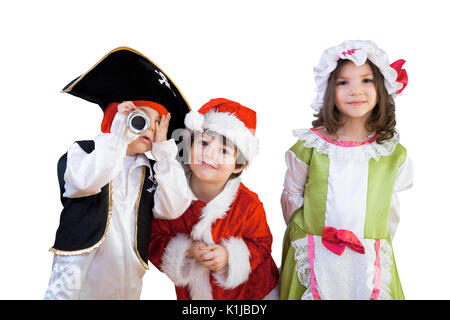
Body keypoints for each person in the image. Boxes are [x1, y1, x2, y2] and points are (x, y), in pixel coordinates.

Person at [44, 47, 190, 299]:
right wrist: (118, 137)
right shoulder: (84, 152)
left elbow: (172, 208)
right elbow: (86, 182)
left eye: (157, 123)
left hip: (125, 272)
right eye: (140, 118)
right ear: (116, 118)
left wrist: (165, 152)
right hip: (79, 270)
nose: (149, 128)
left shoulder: (153, 171)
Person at [279, 40, 413, 300]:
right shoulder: (310, 147)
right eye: (343, 82)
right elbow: (291, 197)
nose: (355, 91)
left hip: (366, 263)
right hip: (314, 252)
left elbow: (389, 211)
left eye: (366, 81)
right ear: (329, 89)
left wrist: (375, 244)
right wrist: (307, 237)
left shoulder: (391, 154)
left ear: (382, 87)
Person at [149, 98, 279, 300]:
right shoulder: (171, 192)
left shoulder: (248, 204)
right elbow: (153, 239)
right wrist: (187, 250)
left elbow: (262, 244)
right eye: (203, 142)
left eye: (224, 150)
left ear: (239, 165)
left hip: (251, 296)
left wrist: (229, 256)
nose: (209, 154)